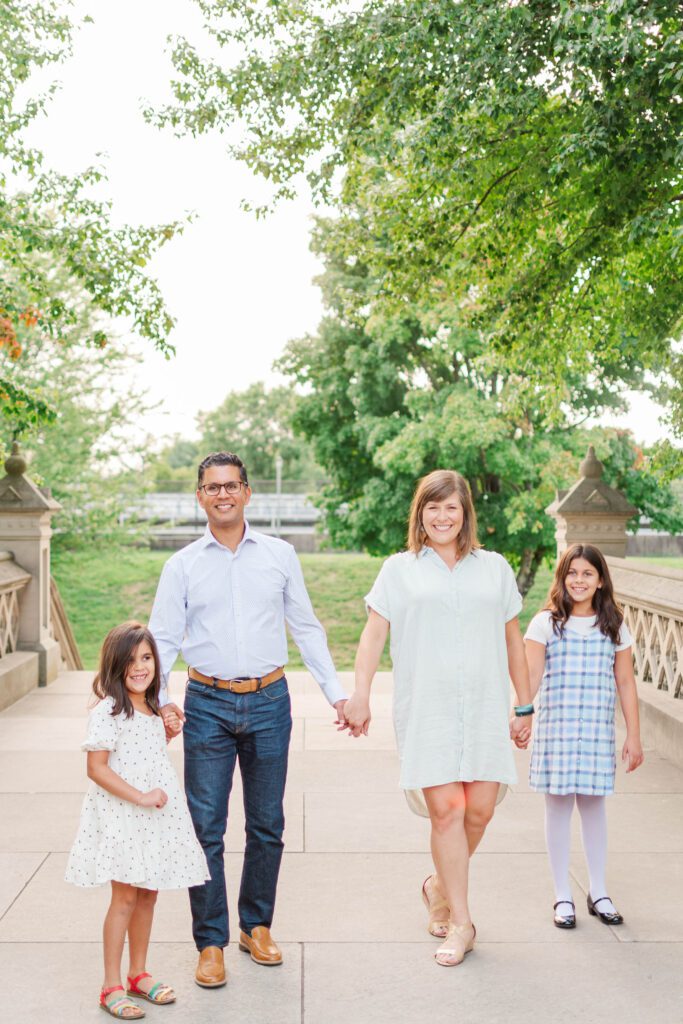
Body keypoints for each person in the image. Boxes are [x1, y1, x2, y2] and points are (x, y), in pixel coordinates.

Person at [148, 451, 348, 988]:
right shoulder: (182, 565)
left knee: (267, 825)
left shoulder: (280, 556)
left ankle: (255, 926)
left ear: (246, 492)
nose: (222, 495)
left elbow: (306, 628)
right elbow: (162, 640)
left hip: (269, 700)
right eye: (211, 487)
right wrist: (159, 701)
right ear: (200, 496)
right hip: (206, 704)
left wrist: (338, 696)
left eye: (231, 485)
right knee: (205, 827)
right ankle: (210, 941)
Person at [343, 469, 533, 967]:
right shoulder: (398, 569)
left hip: (486, 707)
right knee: (447, 810)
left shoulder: (494, 568)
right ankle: (462, 923)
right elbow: (372, 637)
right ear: (419, 514)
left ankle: (437, 886)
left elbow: (514, 640)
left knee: (479, 812)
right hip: (428, 709)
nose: (442, 516)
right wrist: (360, 695)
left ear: (466, 512)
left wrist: (525, 702)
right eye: (433, 506)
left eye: (452, 507)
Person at [65, 622, 209, 1020]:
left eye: (146, 658)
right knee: (125, 897)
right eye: (130, 661)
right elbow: (97, 768)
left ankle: (138, 973)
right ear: (115, 666)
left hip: (155, 816)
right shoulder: (108, 710)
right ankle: (110, 984)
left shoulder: (149, 707)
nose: (140, 668)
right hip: (125, 815)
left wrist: (167, 732)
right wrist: (140, 796)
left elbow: (145, 751)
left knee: (149, 893)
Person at [522, 543, 644, 929]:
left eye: (587, 573)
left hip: (595, 731)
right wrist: (521, 714)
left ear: (601, 579)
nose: (579, 580)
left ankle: (598, 891)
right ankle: (562, 895)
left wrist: (634, 736)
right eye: (572, 573)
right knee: (557, 807)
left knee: (593, 808)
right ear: (562, 577)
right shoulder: (545, 623)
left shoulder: (614, 625)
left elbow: (625, 682)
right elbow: (531, 677)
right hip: (556, 731)